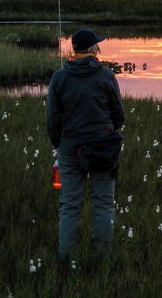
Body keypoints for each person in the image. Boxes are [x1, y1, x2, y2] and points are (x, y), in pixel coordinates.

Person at [46, 28, 125, 266]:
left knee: (70, 204)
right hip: (102, 147)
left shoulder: (59, 78)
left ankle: (65, 258)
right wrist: (106, 129)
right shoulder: (106, 76)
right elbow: (118, 116)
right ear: (93, 49)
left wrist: (60, 144)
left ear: (74, 50)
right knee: (103, 202)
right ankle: (102, 257)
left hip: (70, 146)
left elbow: (52, 119)